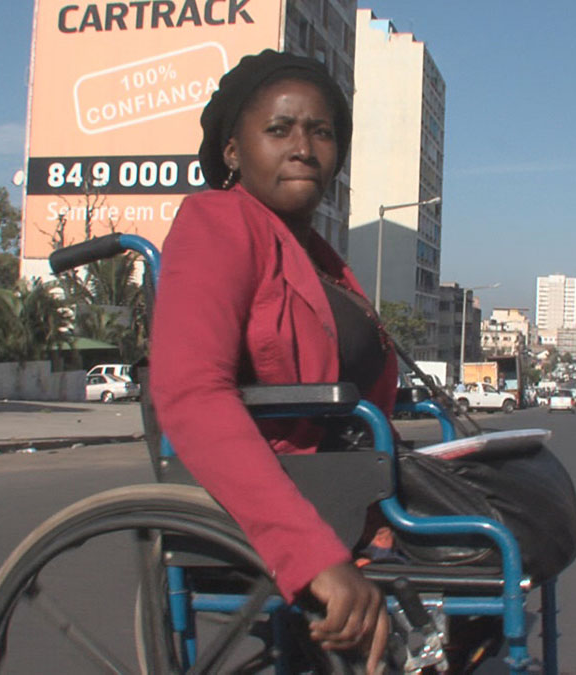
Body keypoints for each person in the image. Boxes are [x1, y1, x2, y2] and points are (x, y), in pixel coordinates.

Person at [149, 51, 393, 673]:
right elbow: (191, 395)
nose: (304, 146)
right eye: (279, 129)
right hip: (291, 496)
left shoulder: (319, 258)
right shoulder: (217, 223)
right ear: (232, 151)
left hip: (352, 488)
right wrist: (314, 555)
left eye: (321, 131)